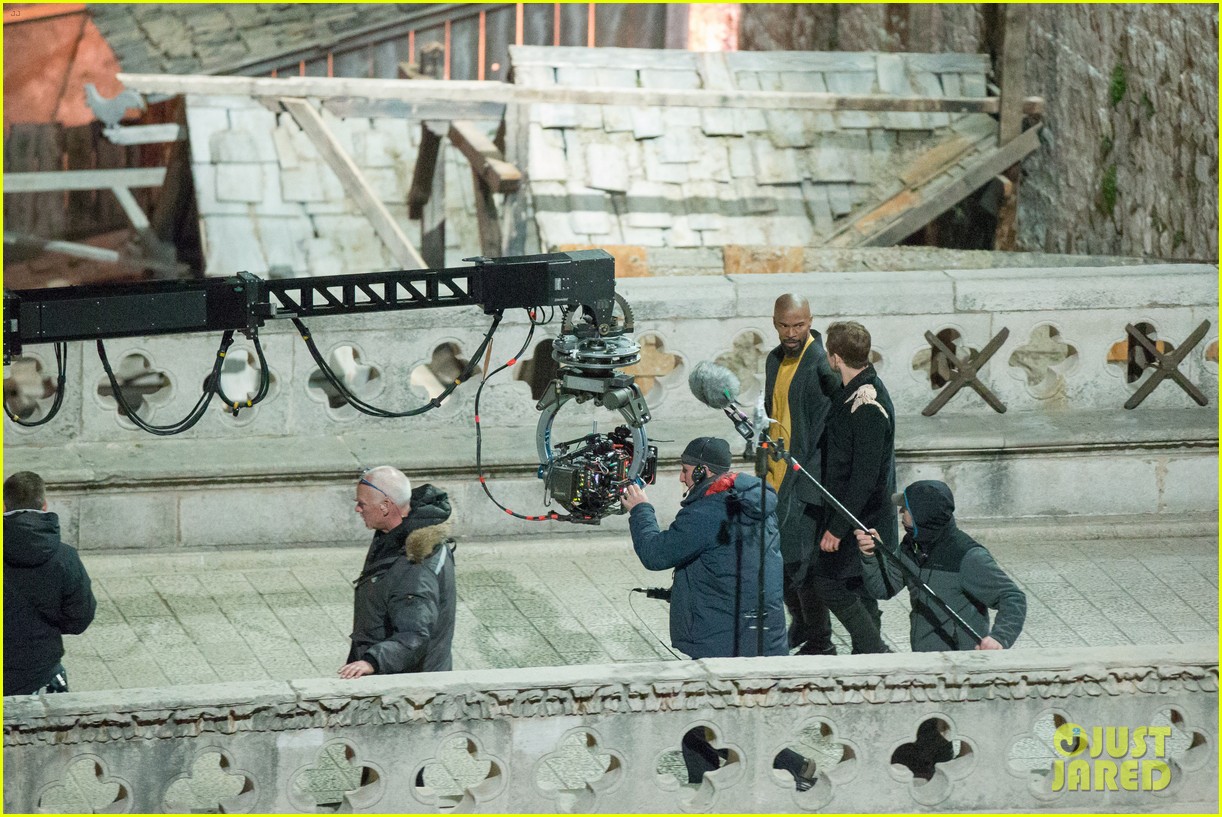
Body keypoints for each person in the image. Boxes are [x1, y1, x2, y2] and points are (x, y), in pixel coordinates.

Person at [622, 437, 818, 792]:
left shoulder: (710, 511)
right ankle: (791, 767)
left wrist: (641, 509)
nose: (681, 478)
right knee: (727, 719)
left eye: (685, 471)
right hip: (756, 633)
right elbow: (730, 567)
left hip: (726, 639)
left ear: (702, 471)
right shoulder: (752, 501)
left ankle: (708, 792)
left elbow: (656, 553)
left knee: (698, 723)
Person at [854, 479, 1027, 778]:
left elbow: (1013, 597)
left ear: (923, 515)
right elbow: (884, 589)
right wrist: (871, 555)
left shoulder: (968, 556)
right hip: (926, 665)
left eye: (906, 509)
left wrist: (999, 638)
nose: (901, 514)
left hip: (959, 668)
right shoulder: (911, 547)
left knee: (946, 748)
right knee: (918, 752)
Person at [764, 294, 842, 656]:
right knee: (777, 559)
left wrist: (809, 482)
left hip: (803, 481)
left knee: (801, 563)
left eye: (799, 325)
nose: (791, 333)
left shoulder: (821, 366)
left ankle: (821, 640)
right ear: (775, 323)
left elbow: (829, 431)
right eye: (785, 325)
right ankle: (802, 623)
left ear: (810, 321)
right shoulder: (774, 360)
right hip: (774, 475)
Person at [815, 321, 893, 654]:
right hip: (854, 512)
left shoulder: (868, 405)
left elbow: (864, 476)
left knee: (828, 582)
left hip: (861, 517)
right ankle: (867, 656)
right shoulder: (853, 391)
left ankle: (874, 649)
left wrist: (837, 528)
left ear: (835, 357)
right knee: (859, 586)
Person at [340, 466, 456, 679]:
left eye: (362, 504)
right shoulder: (393, 536)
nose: (357, 509)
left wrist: (372, 661)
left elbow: (415, 634)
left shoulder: (416, 563)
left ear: (385, 506)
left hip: (413, 684)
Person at [3, 471, 97, 696]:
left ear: (4, 506)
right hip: (41, 671)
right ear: (44, 506)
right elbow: (80, 618)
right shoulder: (65, 558)